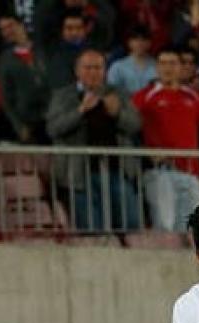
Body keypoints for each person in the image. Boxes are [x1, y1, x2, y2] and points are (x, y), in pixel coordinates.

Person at [46, 48, 142, 231]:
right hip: (79, 174)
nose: (93, 72)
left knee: (131, 224)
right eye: (88, 68)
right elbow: (54, 129)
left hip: (117, 170)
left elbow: (135, 125)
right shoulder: (63, 96)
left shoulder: (118, 94)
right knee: (92, 229)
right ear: (77, 71)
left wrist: (117, 114)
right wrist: (80, 111)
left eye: (98, 68)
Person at [132, 47, 199, 232]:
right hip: (160, 172)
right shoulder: (143, 97)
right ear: (156, 67)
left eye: (172, 63)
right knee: (165, 225)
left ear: (181, 67)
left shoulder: (196, 96)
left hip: (192, 173)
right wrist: (146, 154)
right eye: (163, 63)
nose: (167, 68)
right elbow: (132, 133)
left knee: (197, 228)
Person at [0, 13, 50, 144]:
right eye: (3, 29)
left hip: (51, 117)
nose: (7, 31)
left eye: (10, 26)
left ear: (21, 25)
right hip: (27, 122)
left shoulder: (43, 50)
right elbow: (6, 98)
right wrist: (19, 127)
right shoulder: (5, 60)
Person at [106, 25, 156, 97]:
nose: (140, 43)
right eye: (136, 39)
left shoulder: (157, 66)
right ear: (129, 42)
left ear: (149, 43)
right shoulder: (117, 67)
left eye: (143, 39)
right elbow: (111, 93)